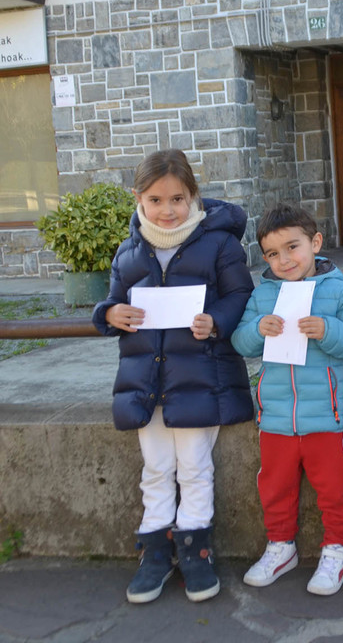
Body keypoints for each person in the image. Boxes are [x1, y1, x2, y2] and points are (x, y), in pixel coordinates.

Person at [92, 149, 255, 604]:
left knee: (196, 467)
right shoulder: (128, 250)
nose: (167, 210)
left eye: (178, 199)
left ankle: (196, 548)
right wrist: (111, 313)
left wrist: (216, 321)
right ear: (138, 198)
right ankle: (156, 550)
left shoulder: (220, 244)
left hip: (201, 377)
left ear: (193, 196)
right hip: (147, 383)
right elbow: (112, 301)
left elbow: (241, 295)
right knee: (156, 467)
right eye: (156, 200)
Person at [232, 204, 343, 596]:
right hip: (276, 415)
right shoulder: (263, 295)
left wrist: (328, 330)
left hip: (325, 415)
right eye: (272, 253)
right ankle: (281, 547)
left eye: (292, 247)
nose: (284, 260)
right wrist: (257, 329)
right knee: (274, 486)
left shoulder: (339, 290)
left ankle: (337, 548)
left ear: (315, 243)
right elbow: (240, 341)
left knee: (333, 486)